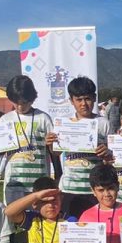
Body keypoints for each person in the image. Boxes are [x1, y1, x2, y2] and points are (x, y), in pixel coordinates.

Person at [46, 76, 112, 217]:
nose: (83, 104)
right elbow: (56, 153)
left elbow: (111, 157)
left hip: (95, 190)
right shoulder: (64, 124)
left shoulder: (103, 123)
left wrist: (107, 152)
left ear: (94, 98)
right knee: (71, 226)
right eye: (79, 99)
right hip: (69, 188)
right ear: (71, 101)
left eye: (87, 99)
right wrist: (51, 144)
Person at [0, 75, 54, 205]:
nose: (20, 107)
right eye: (16, 102)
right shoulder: (5, 120)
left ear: (32, 98)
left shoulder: (43, 118)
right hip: (14, 183)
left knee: (39, 216)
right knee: (14, 215)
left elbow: (55, 151)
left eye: (24, 102)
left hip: (38, 184)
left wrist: (51, 144)